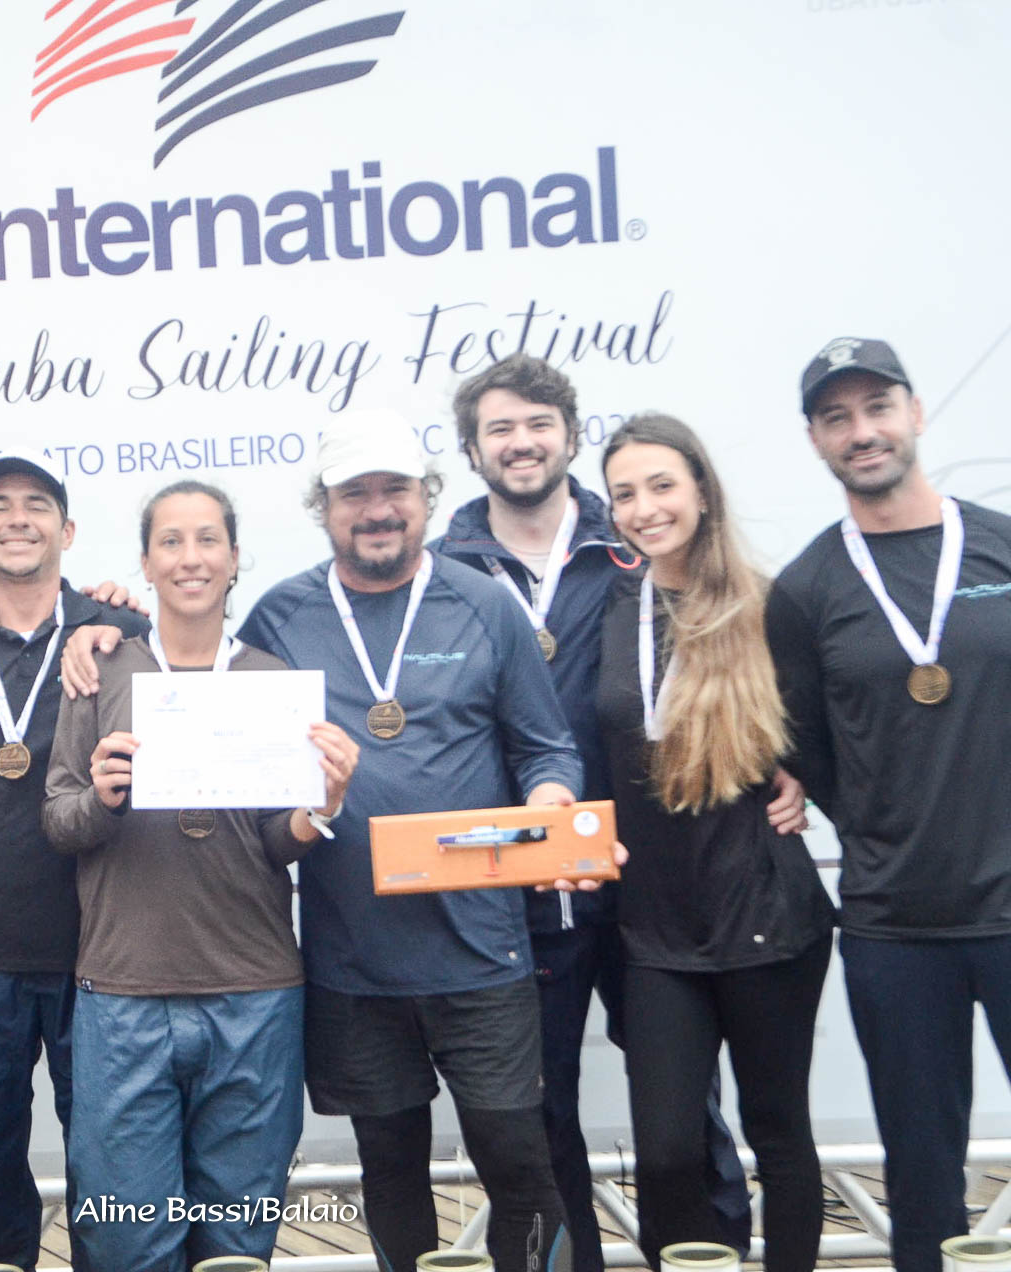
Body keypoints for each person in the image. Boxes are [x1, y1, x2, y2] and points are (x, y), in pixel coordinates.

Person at [768, 338, 1011, 1272]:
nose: (862, 432)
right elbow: (809, 751)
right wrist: (887, 832)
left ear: (915, 412)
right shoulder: (806, 590)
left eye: (877, 408)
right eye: (837, 418)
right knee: (923, 1184)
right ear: (814, 439)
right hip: (897, 928)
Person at [235, 409, 590, 1272]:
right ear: (324, 508)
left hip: (483, 954)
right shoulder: (280, 616)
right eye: (354, 493)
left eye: (395, 489)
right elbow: (212, 703)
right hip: (354, 962)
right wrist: (103, 621)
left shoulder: (485, 604)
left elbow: (547, 747)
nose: (377, 509)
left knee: (520, 1166)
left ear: (427, 498)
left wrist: (549, 807)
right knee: (390, 1170)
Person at [429, 355, 760, 1269]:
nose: (521, 442)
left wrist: (790, 771)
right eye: (500, 428)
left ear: (571, 436)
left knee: (682, 1113)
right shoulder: (440, 572)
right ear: (470, 449)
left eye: (539, 423)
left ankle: (701, 1259)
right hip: (513, 895)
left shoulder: (638, 546)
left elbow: (751, 654)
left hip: (646, 878)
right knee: (536, 1122)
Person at [42, 479, 361, 1271]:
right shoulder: (100, 671)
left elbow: (274, 841)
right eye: (172, 541)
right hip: (124, 993)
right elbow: (58, 820)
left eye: (208, 539)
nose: (191, 558)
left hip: (254, 993)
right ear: (145, 563)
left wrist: (320, 808)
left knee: (236, 1242)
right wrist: (103, 797)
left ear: (235, 557)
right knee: (126, 1238)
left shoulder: (271, 678)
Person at [0, 451, 149, 1272]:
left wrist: (129, 619)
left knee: (112, 1171)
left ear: (67, 530)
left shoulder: (120, 633)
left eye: (37, 504)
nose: (17, 519)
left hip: (103, 958)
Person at [597, 415, 833, 1271]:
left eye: (662, 485)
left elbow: (828, 733)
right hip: (656, 928)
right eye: (625, 493)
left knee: (779, 1134)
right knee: (666, 1150)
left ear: (701, 489)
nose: (645, 508)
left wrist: (805, 779)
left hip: (766, 916)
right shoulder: (611, 612)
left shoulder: (768, 606)